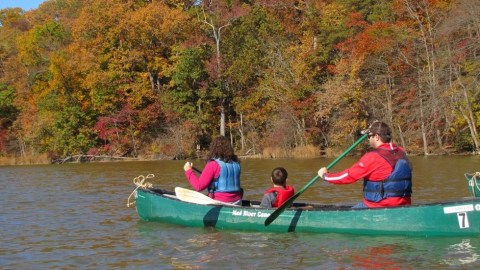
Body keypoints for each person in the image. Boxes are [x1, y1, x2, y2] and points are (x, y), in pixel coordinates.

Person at [317, 121, 412, 208]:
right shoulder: (401, 152)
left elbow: (348, 176)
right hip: (404, 204)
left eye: (368, 136)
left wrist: (325, 176)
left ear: (377, 137)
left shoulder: (373, 157)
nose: (368, 140)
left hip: (377, 206)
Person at [183, 135, 242, 205]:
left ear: (213, 148)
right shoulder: (236, 164)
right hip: (237, 202)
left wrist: (188, 170)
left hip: (221, 202)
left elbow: (198, 186)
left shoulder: (213, 164)